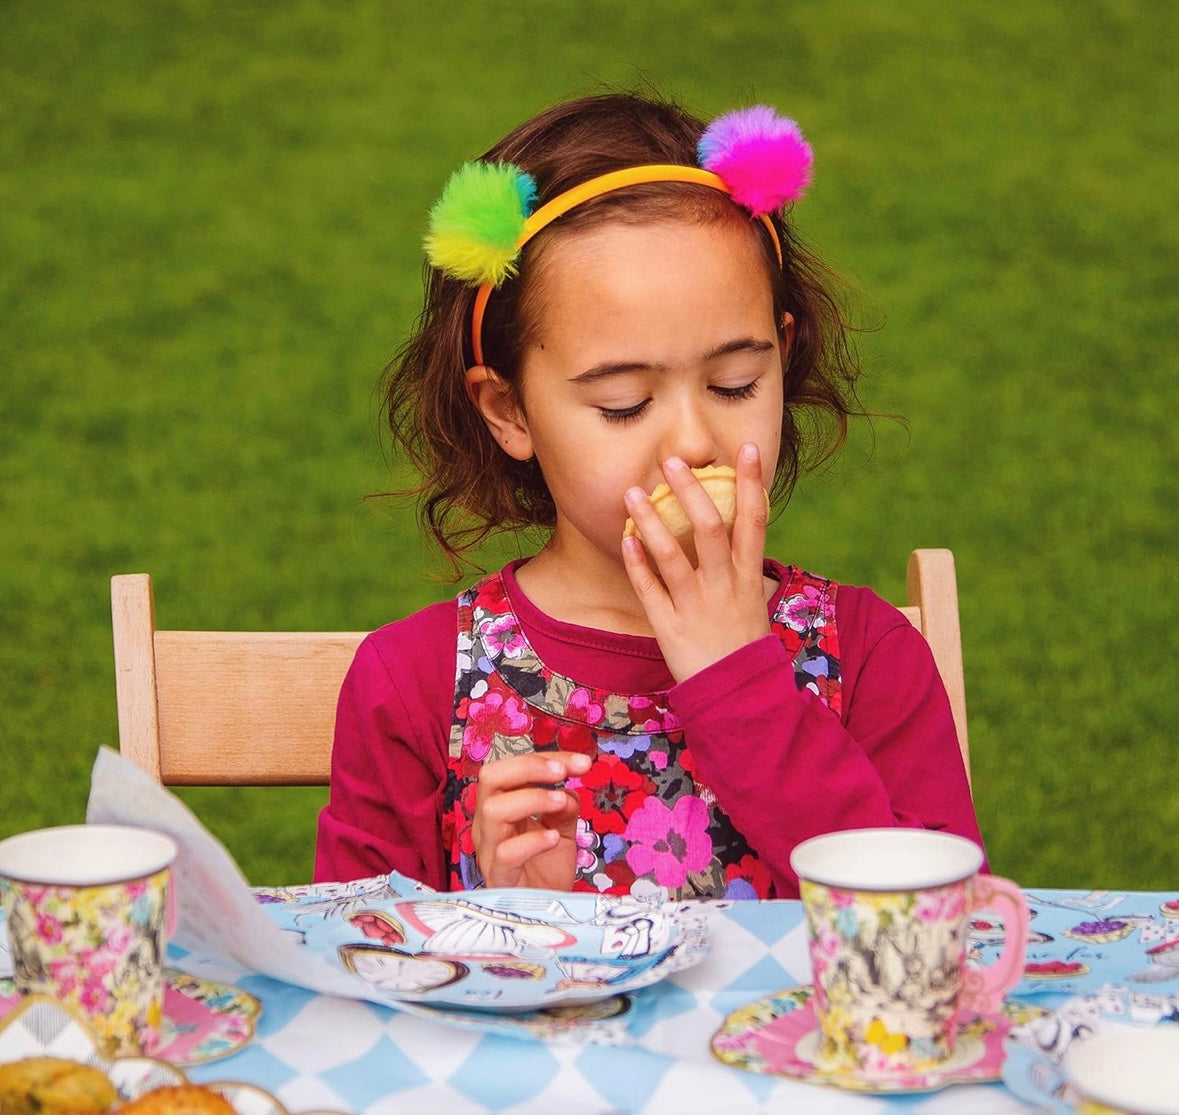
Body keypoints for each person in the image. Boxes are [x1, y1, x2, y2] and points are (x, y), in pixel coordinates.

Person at [314, 91, 983, 899]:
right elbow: (356, 964)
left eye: (735, 383)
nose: (693, 441)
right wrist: (504, 912)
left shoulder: (866, 656)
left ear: (783, 351)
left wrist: (741, 681)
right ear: (510, 410)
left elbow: (943, 927)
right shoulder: (415, 682)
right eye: (624, 403)